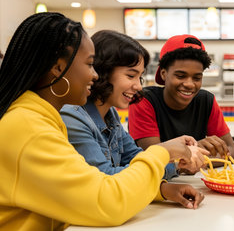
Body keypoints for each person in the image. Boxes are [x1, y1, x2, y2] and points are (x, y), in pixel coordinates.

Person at [0, 13, 204, 231]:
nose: (94, 76)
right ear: (59, 68)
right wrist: (163, 152)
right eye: (89, 65)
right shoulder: (29, 127)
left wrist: (161, 186)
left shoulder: (39, 118)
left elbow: (102, 182)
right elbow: (108, 201)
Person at [60, 30, 207, 175]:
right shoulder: (73, 117)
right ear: (103, 71)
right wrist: (166, 151)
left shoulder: (110, 115)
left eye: (140, 77)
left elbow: (135, 157)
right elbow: (105, 177)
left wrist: (177, 164)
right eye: (131, 75)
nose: (138, 86)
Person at [128, 34, 234, 179]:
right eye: (180, 76)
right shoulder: (143, 100)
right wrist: (194, 152)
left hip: (197, 189)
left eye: (197, 78)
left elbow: (233, 153)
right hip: (157, 188)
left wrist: (195, 160)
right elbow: (152, 157)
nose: (189, 84)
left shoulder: (207, 100)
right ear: (163, 74)